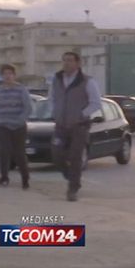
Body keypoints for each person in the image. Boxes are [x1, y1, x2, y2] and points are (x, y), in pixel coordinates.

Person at [48, 51, 101, 202]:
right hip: (60, 125)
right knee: (56, 154)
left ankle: (73, 189)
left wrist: (81, 114)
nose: (66, 63)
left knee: (75, 157)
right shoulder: (57, 79)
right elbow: (51, 98)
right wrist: (54, 112)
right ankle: (70, 176)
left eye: (70, 60)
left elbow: (96, 103)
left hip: (79, 126)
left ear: (78, 63)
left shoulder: (87, 81)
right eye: (64, 60)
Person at [0, 64, 32, 189]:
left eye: (10, 73)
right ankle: (4, 177)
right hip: (3, 126)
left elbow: (28, 107)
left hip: (19, 126)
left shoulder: (21, 90)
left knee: (19, 153)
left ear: (14, 75)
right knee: (3, 152)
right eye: (5, 74)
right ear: (1, 76)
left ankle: (25, 178)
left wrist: (20, 120)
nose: (7, 76)